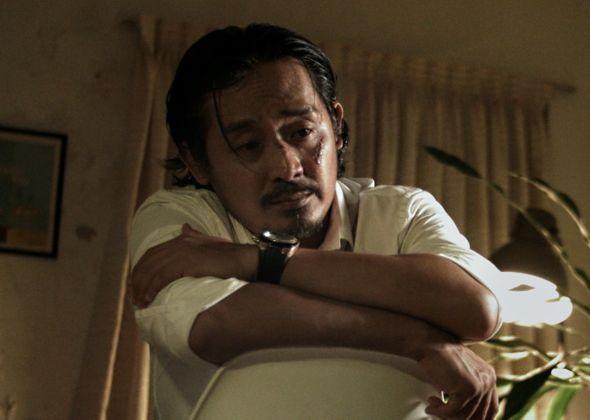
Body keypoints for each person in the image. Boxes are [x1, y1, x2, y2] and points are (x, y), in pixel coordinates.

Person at [129, 23, 503, 420]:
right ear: (196, 160)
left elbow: (476, 308)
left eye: (302, 132)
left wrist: (259, 261)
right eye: (249, 145)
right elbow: (218, 323)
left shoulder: (402, 213)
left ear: (336, 126)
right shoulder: (182, 221)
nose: (287, 167)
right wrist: (417, 340)